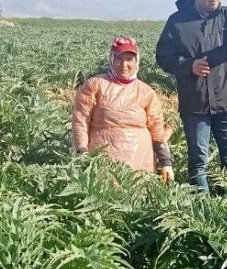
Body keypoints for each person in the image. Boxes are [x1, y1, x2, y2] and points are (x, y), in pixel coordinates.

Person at [156, 0, 227, 193]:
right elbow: (163, 56)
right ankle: (203, 210)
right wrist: (189, 65)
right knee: (198, 162)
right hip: (195, 104)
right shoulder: (177, 21)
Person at [71, 37, 174, 182]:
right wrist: (82, 150)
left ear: (136, 61)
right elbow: (80, 120)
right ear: (111, 60)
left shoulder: (146, 92)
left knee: (136, 197)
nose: (124, 64)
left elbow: (157, 129)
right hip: (103, 161)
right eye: (119, 58)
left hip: (140, 162)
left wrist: (166, 162)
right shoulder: (94, 85)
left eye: (129, 59)